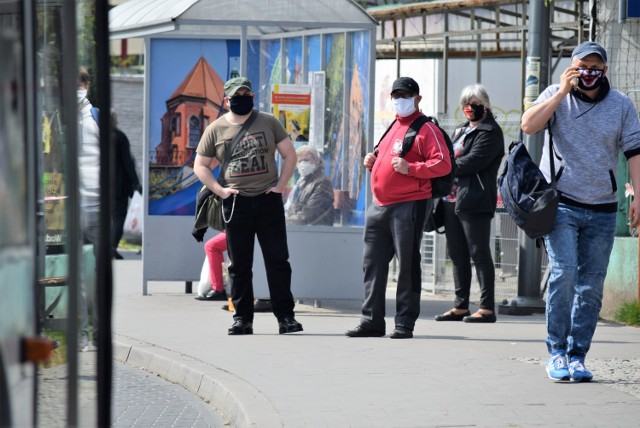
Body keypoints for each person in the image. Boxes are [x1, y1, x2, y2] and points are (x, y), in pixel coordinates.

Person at [521, 41, 640, 382]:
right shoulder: (554, 95)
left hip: (602, 206)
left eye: (595, 68)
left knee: (590, 285)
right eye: (581, 67)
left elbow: (634, 151)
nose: (589, 74)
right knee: (564, 271)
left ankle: (577, 355)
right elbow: (529, 125)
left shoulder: (620, 104)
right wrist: (561, 92)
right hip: (562, 203)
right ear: (571, 68)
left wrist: (638, 197)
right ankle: (556, 351)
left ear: (604, 70)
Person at [194, 76, 303, 335]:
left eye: (246, 93)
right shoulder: (216, 129)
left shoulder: (268, 121)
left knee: (278, 261)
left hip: (268, 201)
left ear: (252, 96)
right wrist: (220, 191)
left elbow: (289, 154)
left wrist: (279, 186)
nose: (242, 98)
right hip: (236, 203)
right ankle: (242, 318)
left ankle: (286, 317)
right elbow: (200, 165)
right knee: (239, 265)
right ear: (227, 100)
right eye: (236, 95)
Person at [345, 77, 452, 339]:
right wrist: (373, 160)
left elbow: (443, 164)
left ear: (417, 98)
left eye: (405, 95)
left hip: (408, 204)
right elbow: (388, 156)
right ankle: (371, 320)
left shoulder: (427, 129)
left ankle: (404, 321)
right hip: (380, 205)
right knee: (372, 264)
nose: (399, 99)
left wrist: (412, 169)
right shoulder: (394, 125)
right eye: (396, 95)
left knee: (407, 264)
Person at [434, 84, 504, 324]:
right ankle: (460, 305)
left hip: (475, 199)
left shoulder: (491, 131)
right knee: (457, 254)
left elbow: (473, 162)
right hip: (451, 200)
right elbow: (448, 156)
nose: (470, 108)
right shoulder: (461, 130)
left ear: (485, 105)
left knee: (479, 252)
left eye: (475, 103)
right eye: (466, 103)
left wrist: (443, 168)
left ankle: (486, 307)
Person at [77, 67, 100, 351]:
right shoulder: (58, 120)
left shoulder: (98, 118)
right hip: (71, 206)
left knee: (95, 276)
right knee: (80, 276)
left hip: (97, 207)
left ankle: (95, 332)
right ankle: (84, 335)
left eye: (78, 83)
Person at [111, 108, 142, 260]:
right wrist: (136, 182)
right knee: (118, 217)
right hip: (118, 186)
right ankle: (112, 246)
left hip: (100, 186)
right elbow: (128, 163)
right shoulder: (120, 137)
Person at [285, 145, 335, 226]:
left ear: (316, 161)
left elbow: (310, 214)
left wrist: (285, 222)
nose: (302, 164)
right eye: (299, 161)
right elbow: (290, 208)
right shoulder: (300, 182)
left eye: (306, 160)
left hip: (316, 233)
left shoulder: (322, 182)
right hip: (300, 230)